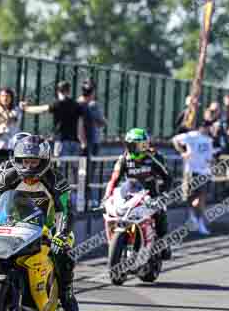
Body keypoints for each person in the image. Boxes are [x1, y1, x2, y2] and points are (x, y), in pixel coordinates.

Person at [0, 134, 79, 311]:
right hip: (12, 225)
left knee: (64, 253)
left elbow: (67, 210)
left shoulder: (56, 180)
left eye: (34, 162)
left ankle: (66, 293)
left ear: (44, 161)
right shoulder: (7, 176)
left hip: (47, 227)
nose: (29, 166)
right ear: (17, 160)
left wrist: (61, 234)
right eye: (25, 161)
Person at [104, 128, 173, 259]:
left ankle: (164, 244)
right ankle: (115, 242)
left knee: (160, 212)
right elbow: (114, 179)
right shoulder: (124, 158)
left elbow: (168, 177)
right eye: (130, 145)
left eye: (137, 145)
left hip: (152, 195)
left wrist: (163, 194)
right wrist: (107, 196)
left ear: (145, 145)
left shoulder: (154, 157)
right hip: (131, 195)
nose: (133, 148)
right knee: (114, 213)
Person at [172, 121, 216, 236]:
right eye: (207, 128)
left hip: (204, 172)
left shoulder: (209, 140)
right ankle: (193, 218)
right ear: (202, 127)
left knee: (201, 198)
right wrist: (183, 152)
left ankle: (199, 221)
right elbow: (175, 140)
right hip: (191, 171)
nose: (208, 130)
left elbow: (209, 157)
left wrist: (211, 163)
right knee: (189, 197)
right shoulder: (192, 136)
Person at [22, 80, 86, 157]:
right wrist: (83, 142)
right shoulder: (77, 105)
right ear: (69, 91)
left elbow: (42, 109)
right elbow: (80, 125)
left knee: (60, 166)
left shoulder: (57, 104)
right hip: (75, 142)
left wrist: (26, 108)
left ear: (58, 91)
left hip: (61, 141)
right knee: (74, 167)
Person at [0, 87, 22, 154]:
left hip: (11, 146)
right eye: (2, 96)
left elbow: (10, 118)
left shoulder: (16, 110)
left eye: (7, 96)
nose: (5, 98)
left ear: (11, 98)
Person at [78, 79, 107, 156]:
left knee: (80, 165)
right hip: (92, 140)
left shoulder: (77, 103)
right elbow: (102, 123)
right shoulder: (93, 105)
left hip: (79, 140)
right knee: (89, 165)